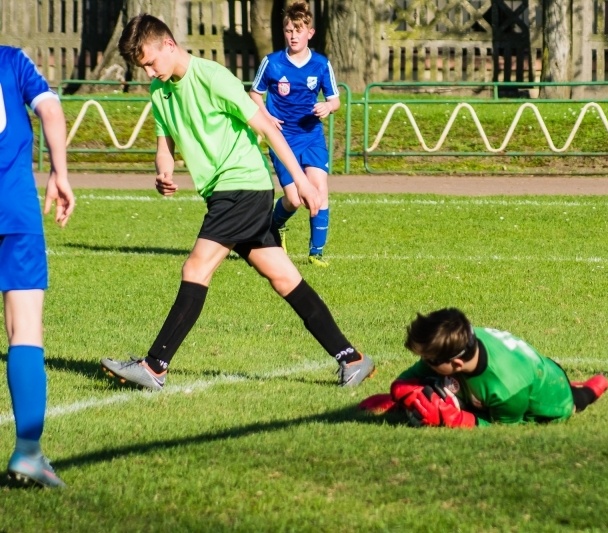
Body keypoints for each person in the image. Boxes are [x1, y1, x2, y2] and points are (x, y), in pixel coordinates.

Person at [99, 14, 374, 391]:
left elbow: (267, 128)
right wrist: (163, 172)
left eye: (150, 62)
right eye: (142, 67)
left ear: (168, 45)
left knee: (195, 269)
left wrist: (302, 184)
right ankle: (352, 359)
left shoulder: (213, 76)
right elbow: (165, 147)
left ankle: (155, 365)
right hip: (224, 194)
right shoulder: (159, 93)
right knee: (284, 278)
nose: (149, 72)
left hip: (242, 186)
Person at [1, 45, 75, 487]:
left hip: (18, 214)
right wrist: (60, 173)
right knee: (25, 329)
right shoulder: (12, 60)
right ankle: (28, 452)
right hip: (15, 212)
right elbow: (50, 108)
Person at [362, 308, 608, 427]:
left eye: (428, 360)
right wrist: (403, 390)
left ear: (456, 363)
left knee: (574, 401)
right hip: (533, 367)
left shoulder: (507, 387)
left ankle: (593, 387)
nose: (423, 363)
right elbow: (417, 374)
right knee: (441, 385)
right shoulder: (457, 342)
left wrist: (458, 419)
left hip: (551, 396)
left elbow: (503, 428)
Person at [249, 1, 339, 268]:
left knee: (320, 191)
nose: (293, 35)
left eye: (298, 30)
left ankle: (316, 253)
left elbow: (335, 100)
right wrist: (266, 116)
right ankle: (274, 226)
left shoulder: (321, 64)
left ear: (309, 33)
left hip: (311, 136)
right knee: (294, 199)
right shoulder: (272, 63)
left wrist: (327, 106)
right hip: (282, 138)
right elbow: (255, 94)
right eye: (288, 30)